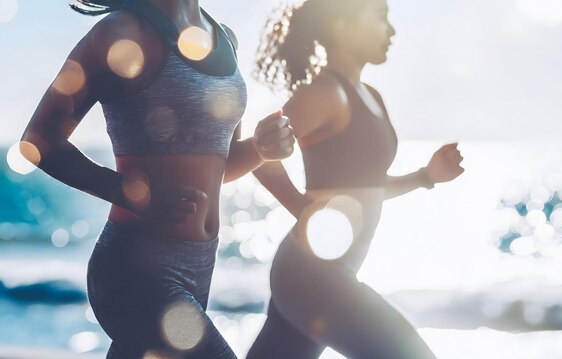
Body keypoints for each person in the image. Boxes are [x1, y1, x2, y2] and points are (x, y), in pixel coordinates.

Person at [19, 0, 295, 357]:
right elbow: (39, 141)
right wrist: (138, 195)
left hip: (199, 269)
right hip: (135, 274)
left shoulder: (224, 38)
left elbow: (219, 169)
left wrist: (260, 148)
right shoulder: (121, 32)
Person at [247, 0, 465, 358]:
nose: (391, 32)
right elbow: (258, 156)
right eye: (380, 19)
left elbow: (366, 187)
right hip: (313, 276)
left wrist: (425, 176)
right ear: (342, 27)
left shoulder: (371, 96)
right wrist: (303, 209)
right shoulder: (324, 93)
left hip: (322, 273)